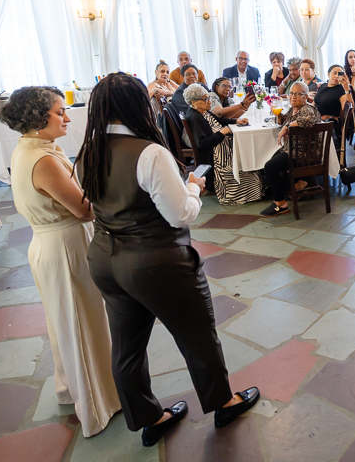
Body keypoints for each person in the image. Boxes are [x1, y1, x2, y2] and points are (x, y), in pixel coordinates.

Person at [75, 74, 259, 447]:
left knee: (126, 348)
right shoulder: (149, 152)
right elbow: (180, 215)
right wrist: (193, 187)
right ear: (135, 106)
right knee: (197, 334)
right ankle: (222, 402)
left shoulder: (88, 149)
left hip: (106, 257)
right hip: (155, 261)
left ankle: (149, 417)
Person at [0, 87, 120, 438]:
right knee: (82, 323)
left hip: (51, 242)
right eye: (59, 112)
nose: (67, 117)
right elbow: (83, 209)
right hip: (64, 245)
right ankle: (98, 405)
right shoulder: (45, 160)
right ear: (39, 119)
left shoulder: (28, 149)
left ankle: (71, 387)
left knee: (68, 323)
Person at [182, 84, 260, 206]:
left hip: (221, 145)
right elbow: (202, 144)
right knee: (245, 157)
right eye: (206, 99)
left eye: (209, 98)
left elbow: (219, 120)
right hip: (216, 156)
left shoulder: (202, 111)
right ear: (194, 102)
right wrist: (221, 133)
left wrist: (236, 121)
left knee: (247, 151)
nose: (209, 102)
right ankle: (242, 194)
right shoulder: (195, 117)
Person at [260, 81, 323, 218]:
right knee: (268, 164)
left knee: (269, 167)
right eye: (291, 94)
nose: (293, 97)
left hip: (303, 154)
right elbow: (284, 122)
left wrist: (287, 126)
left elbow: (309, 119)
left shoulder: (308, 109)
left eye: (297, 94)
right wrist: (279, 115)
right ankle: (295, 185)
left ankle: (280, 203)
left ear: (305, 97)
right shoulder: (294, 109)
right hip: (291, 149)